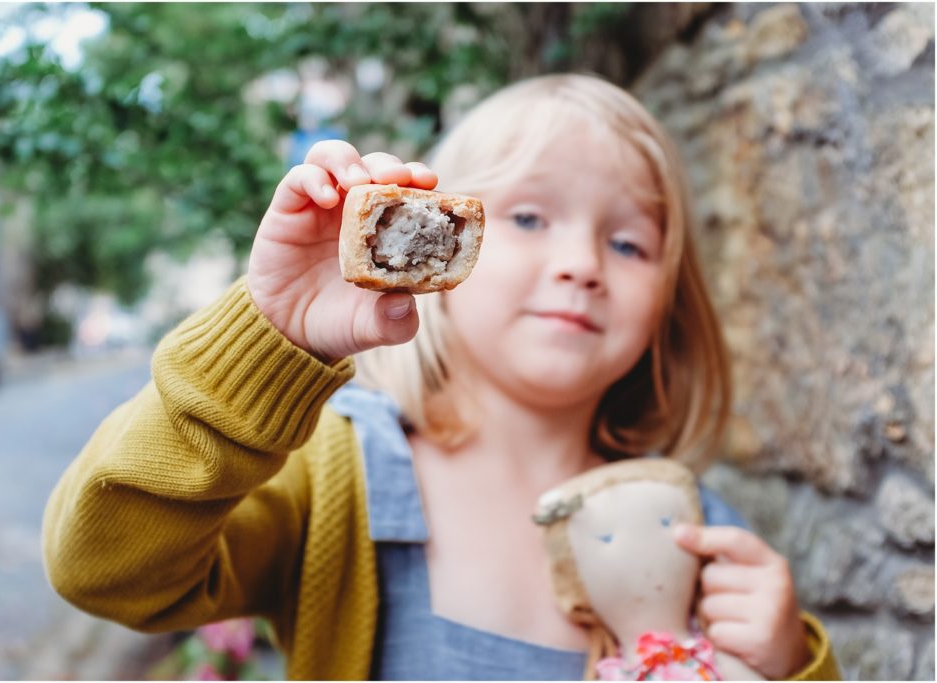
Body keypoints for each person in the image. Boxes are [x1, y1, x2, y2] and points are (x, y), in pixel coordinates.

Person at [42, 73, 840, 680]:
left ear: (670, 304)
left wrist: (782, 663)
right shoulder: (332, 476)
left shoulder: (694, 533)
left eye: (629, 243)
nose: (581, 265)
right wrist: (267, 334)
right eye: (528, 218)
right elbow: (105, 567)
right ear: (434, 243)